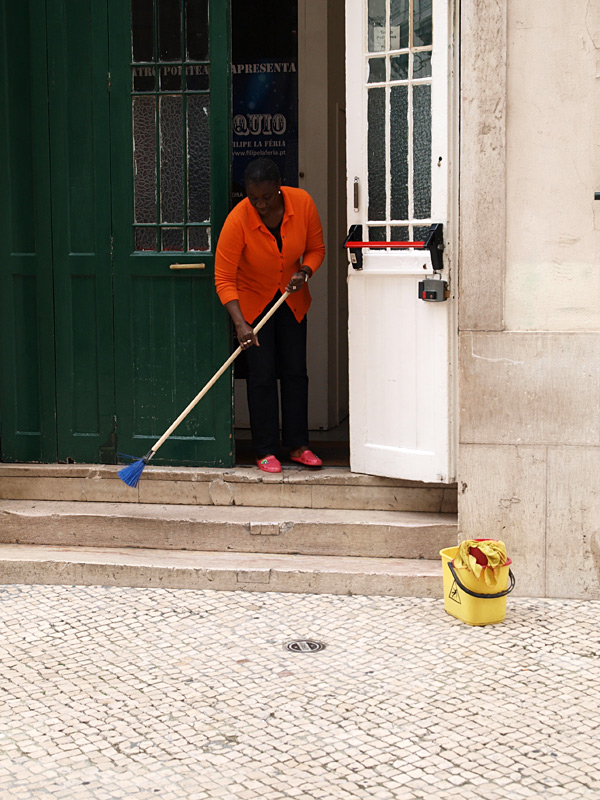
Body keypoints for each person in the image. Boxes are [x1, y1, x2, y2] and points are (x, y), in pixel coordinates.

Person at [215, 158, 326, 473]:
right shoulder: (238, 219)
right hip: (253, 305)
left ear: (280, 187)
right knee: (261, 375)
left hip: (292, 299)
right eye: (253, 197)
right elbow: (223, 277)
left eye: (266, 196)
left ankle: (299, 445)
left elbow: (316, 249)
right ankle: (265, 450)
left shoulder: (302, 203)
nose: (260, 204)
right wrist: (240, 324)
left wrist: (305, 272)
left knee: (295, 372)